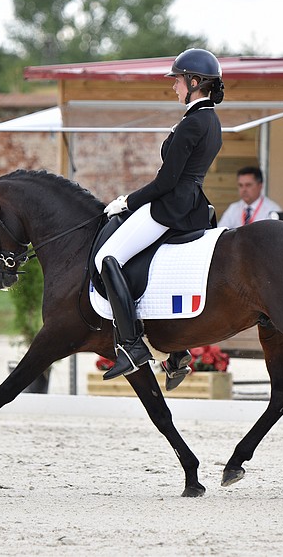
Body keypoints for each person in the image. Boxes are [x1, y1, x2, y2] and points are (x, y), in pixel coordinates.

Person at [95, 48, 225, 380]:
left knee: (107, 257)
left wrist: (128, 201)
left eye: (178, 81)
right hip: (193, 206)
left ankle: (130, 345)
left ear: (194, 82)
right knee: (150, 263)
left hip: (170, 207)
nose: (174, 87)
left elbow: (166, 181)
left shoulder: (193, 123)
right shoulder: (210, 120)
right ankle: (176, 351)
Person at [217, 166, 282, 228]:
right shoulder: (233, 208)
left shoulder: (272, 209)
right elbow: (220, 231)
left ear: (260, 186)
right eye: (240, 185)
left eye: (248, 185)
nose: (244, 190)